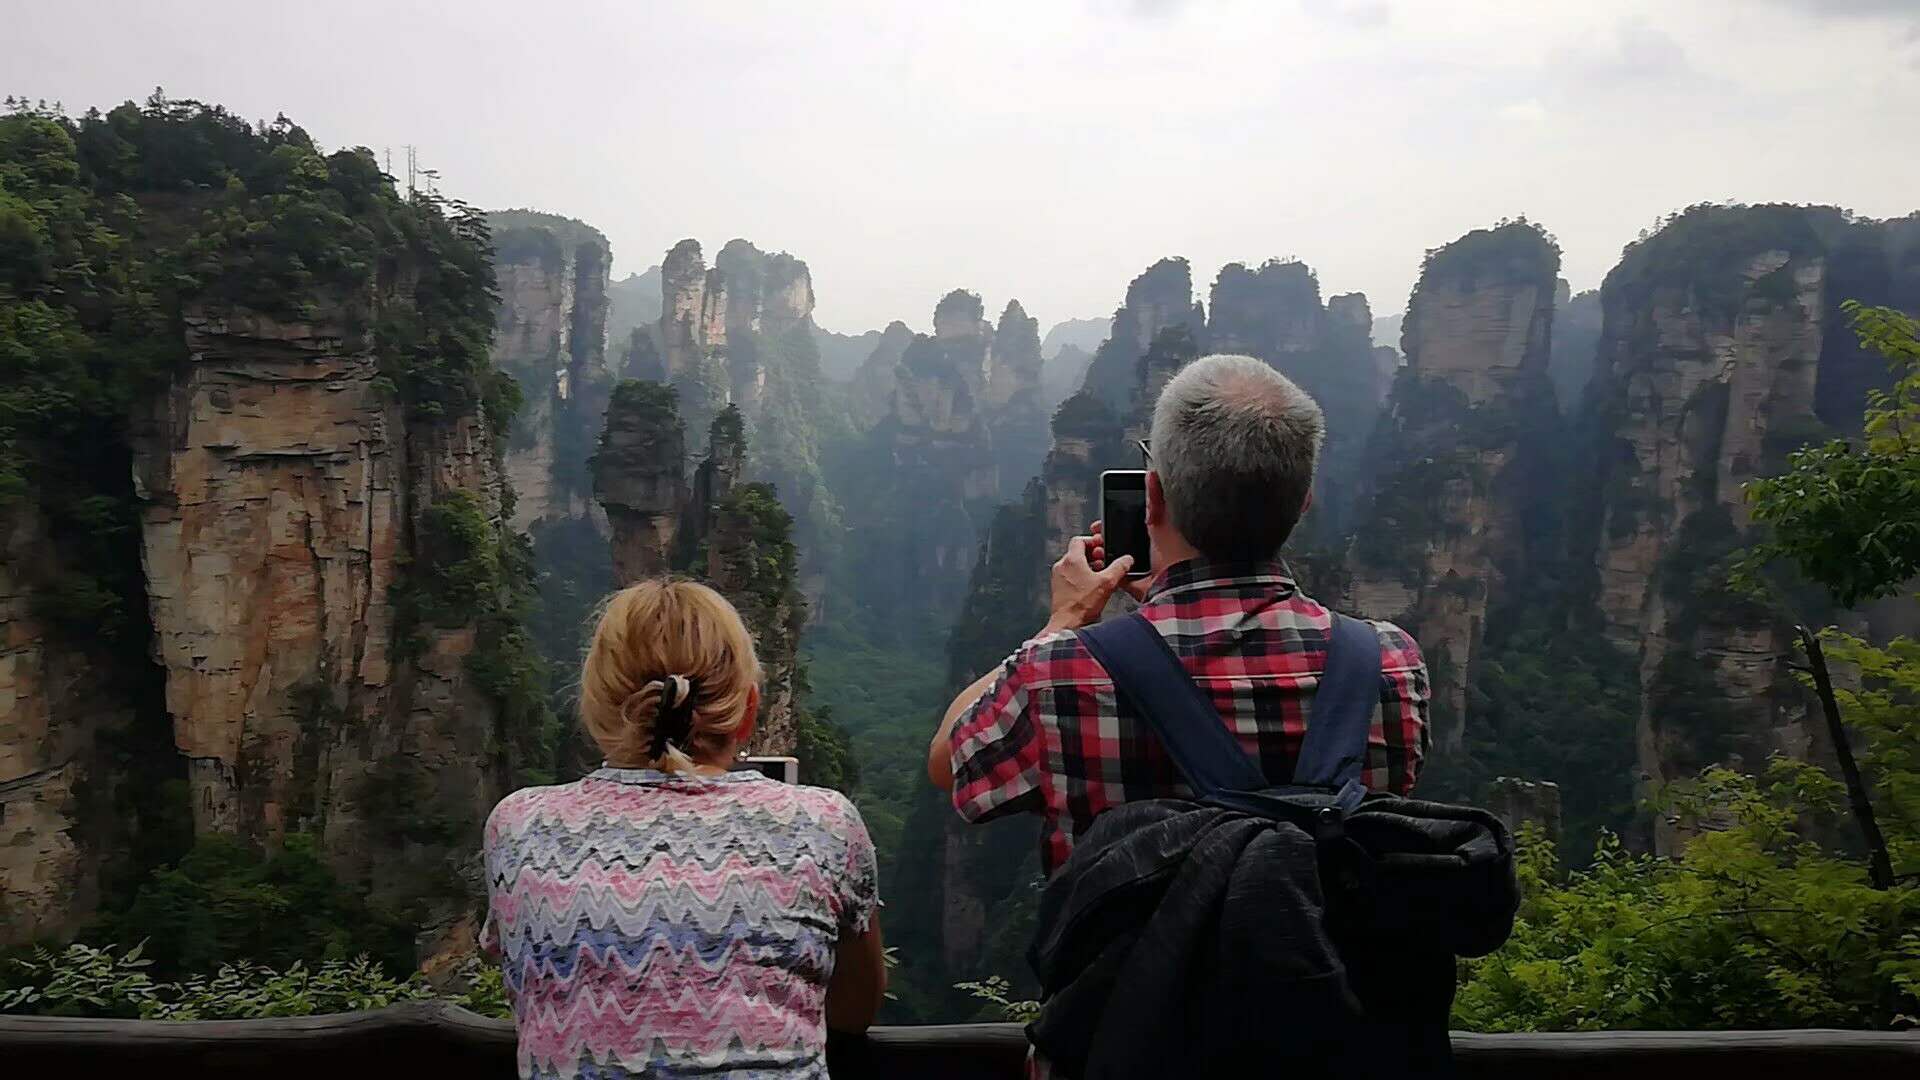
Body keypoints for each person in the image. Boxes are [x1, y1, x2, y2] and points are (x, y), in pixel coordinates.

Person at [929, 351, 1430, 879]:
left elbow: (951, 759)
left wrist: (1065, 619)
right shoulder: (1390, 666)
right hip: (1327, 960)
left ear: (1153, 495)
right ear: (1304, 502)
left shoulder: (1061, 674)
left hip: (1136, 962)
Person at [483, 580, 884, 1080]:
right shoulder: (825, 823)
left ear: (597, 707)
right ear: (749, 709)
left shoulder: (519, 825)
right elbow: (853, 1009)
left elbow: (529, 988)